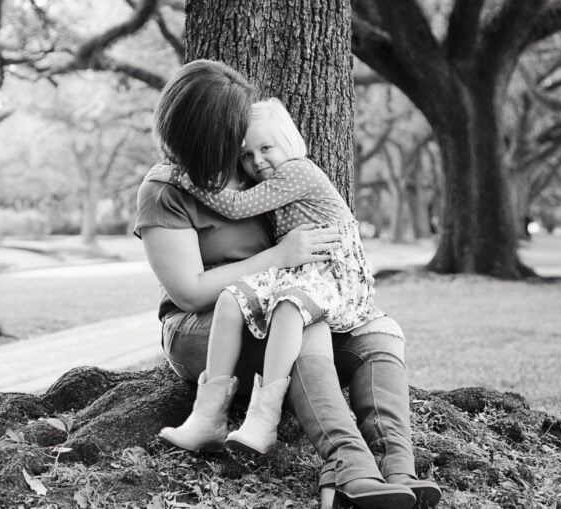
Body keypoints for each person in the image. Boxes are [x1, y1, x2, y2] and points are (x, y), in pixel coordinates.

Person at [135, 59, 441, 509]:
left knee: (380, 338)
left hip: (277, 303)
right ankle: (349, 467)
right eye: (232, 133)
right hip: (204, 326)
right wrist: (278, 256)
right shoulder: (165, 190)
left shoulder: (259, 173)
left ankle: (399, 468)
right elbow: (191, 291)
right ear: (206, 132)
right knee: (302, 321)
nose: (245, 148)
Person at [154, 98, 384, 459]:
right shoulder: (274, 179)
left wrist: (185, 179)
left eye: (265, 148)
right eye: (245, 155)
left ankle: (265, 418)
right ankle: (208, 415)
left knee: (290, 308)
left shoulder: (297, 172)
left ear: (288, 141)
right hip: (294, 270)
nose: (256, 161)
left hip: (331, 271)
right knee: (232, 298)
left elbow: (235, 206)